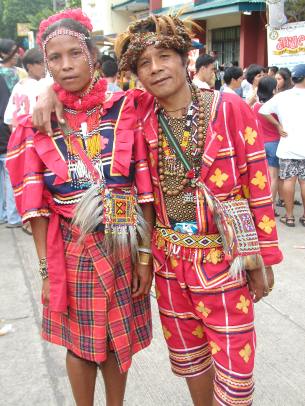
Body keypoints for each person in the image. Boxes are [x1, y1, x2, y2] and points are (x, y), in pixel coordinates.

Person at [33, 12, 282, 406]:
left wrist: (263, 258)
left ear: (185, 58)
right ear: (135, 74)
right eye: (144, 64)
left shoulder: (229, 108)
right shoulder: (138, 112)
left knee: (236, 376)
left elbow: (258, 188)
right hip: (168, 266)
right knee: (190, 362)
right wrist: (47, 89)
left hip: (226, 261)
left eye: (164, 56)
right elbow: (78, 89)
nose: (155, 69)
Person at [6, 9, 154, 406]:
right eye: (54, 58)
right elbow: (36, 209)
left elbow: (143, 189)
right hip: (71, 248)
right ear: (45, 62)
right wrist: (45, 271)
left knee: (116, 339)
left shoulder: (128, 108)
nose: (66, 65)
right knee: (81, 342)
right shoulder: (37, 123)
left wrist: (144, 256)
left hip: (124, 241)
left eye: (75, 53)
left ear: (92, 55)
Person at [259, 63, 305, 228]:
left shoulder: (282, 96)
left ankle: (290, 216)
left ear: (292, 79)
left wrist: (278, 126)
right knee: (304, 182)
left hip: (287, 146)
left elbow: (263, 110)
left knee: (288, 180)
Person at [0, 41, 22, 228]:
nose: (16, 55)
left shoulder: (17, 74)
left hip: (6, 130)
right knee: (10, 175)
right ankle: (12, 215)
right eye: (13, 52)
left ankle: (3, 213)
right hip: (6, 132)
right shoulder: (14, 76)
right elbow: (9, 111)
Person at [252, 77, 279, 209]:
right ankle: (271, 205)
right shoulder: (275, 107)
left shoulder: (256, 106)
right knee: (274, 176)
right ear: (273, 90)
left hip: (259, 144)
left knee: (263, 176)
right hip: (274, 144)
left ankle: (262, 202)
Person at [4, 48, 45, 129]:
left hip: (18, 135)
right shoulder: (38, 86)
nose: (45, 67)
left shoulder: (18, 85)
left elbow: (8, 120)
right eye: (41, 64)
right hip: (33, 135)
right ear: (29, 66)